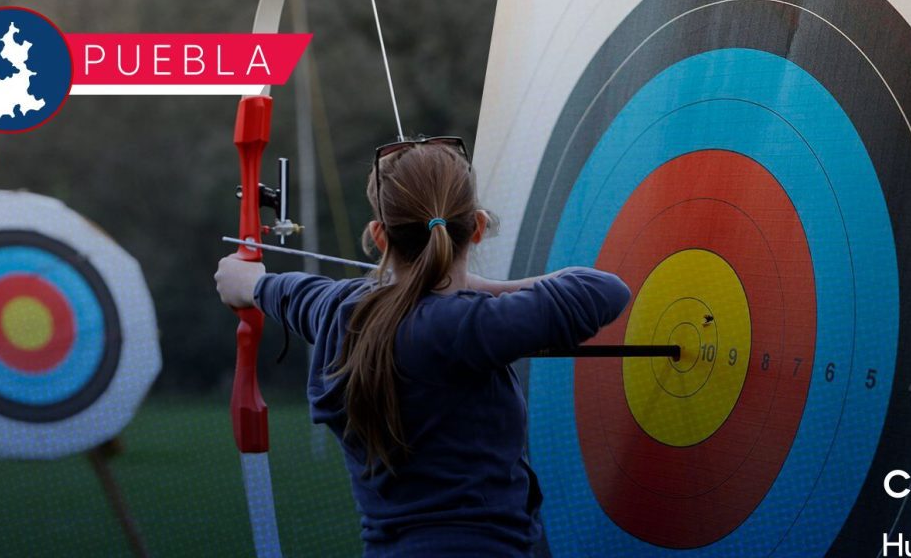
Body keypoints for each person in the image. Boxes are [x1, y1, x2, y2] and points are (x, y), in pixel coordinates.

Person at [215, 137, 630, 556]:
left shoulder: (336, 310)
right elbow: (602, 290)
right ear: (478, 228)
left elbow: (262, 287)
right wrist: (488, 290)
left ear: (379, 236)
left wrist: (246, 281)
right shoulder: (470, 324)